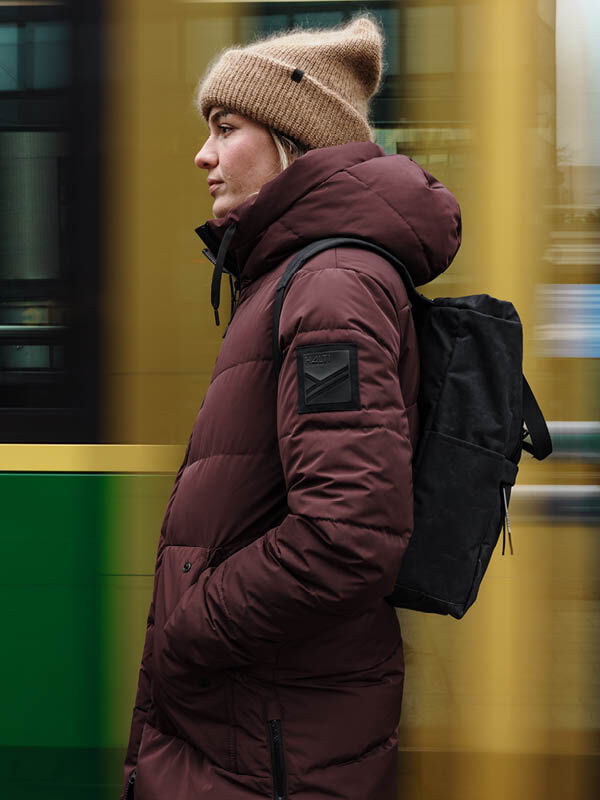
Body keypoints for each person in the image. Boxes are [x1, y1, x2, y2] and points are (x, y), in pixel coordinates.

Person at [120, 14, 461, 800]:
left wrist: (190, 634)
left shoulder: (330, 288)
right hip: (260, 727)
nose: (203, 155)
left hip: (267, 739)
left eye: (226, 126)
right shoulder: (293, 277)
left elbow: (347, 533)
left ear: (291, 140)